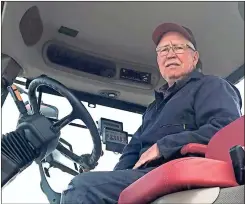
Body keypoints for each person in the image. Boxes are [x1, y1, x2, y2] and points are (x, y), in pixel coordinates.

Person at [60, 23, 242, 204]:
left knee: (82, 189)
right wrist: (114, 177)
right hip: (146, 176)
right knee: (90, 186)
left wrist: (163, 146)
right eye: (163, 50)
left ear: (194, 58)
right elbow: (131, 151)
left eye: (178, 47)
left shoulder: (211, 86)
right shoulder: (153, 109)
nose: (170, 53)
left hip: (179, 172)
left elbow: (224, 131)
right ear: (158, 61)